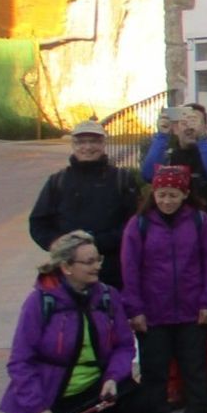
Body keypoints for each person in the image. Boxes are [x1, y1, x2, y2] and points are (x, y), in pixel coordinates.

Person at [0, 231, 155, 413]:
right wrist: (38, 410)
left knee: (145, 400)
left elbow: (124, 346)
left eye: (98, 259)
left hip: (93, 387)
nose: (97, 267)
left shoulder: (107, 296)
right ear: (66, 267)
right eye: (89, 262)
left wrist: (113, 378)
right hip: (47, 395)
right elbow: (19, 362)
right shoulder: (39, 302)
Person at [122, 164, 207, 413]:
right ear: (153, 193)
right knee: (155, 373)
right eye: (162, 194)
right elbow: (130, 269)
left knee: (196, 370)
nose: (167, 200)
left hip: (191, 310)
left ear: (185, 194)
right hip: (152, 313)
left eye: (173, 195)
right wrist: (134, 308)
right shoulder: (138, 225)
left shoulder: (200, 221)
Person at [29, 118, 139, 290]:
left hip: (112, 272)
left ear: (103, 143)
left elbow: (133, 223)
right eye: (81, 142)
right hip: (67, 272)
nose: (87, 147)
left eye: (94, 141)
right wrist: (55, 243)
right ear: (73, 145)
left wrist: (94, 244)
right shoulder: (58, 181)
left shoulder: (122, 179)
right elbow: (38, 222)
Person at [141, 102, 207, 208]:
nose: (190, 127)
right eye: (184, 122)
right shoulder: (167, 159)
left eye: (194, 122)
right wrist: (162, 136)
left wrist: (202, 139)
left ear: (206, 129)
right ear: (175, 129)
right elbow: (148, 175)